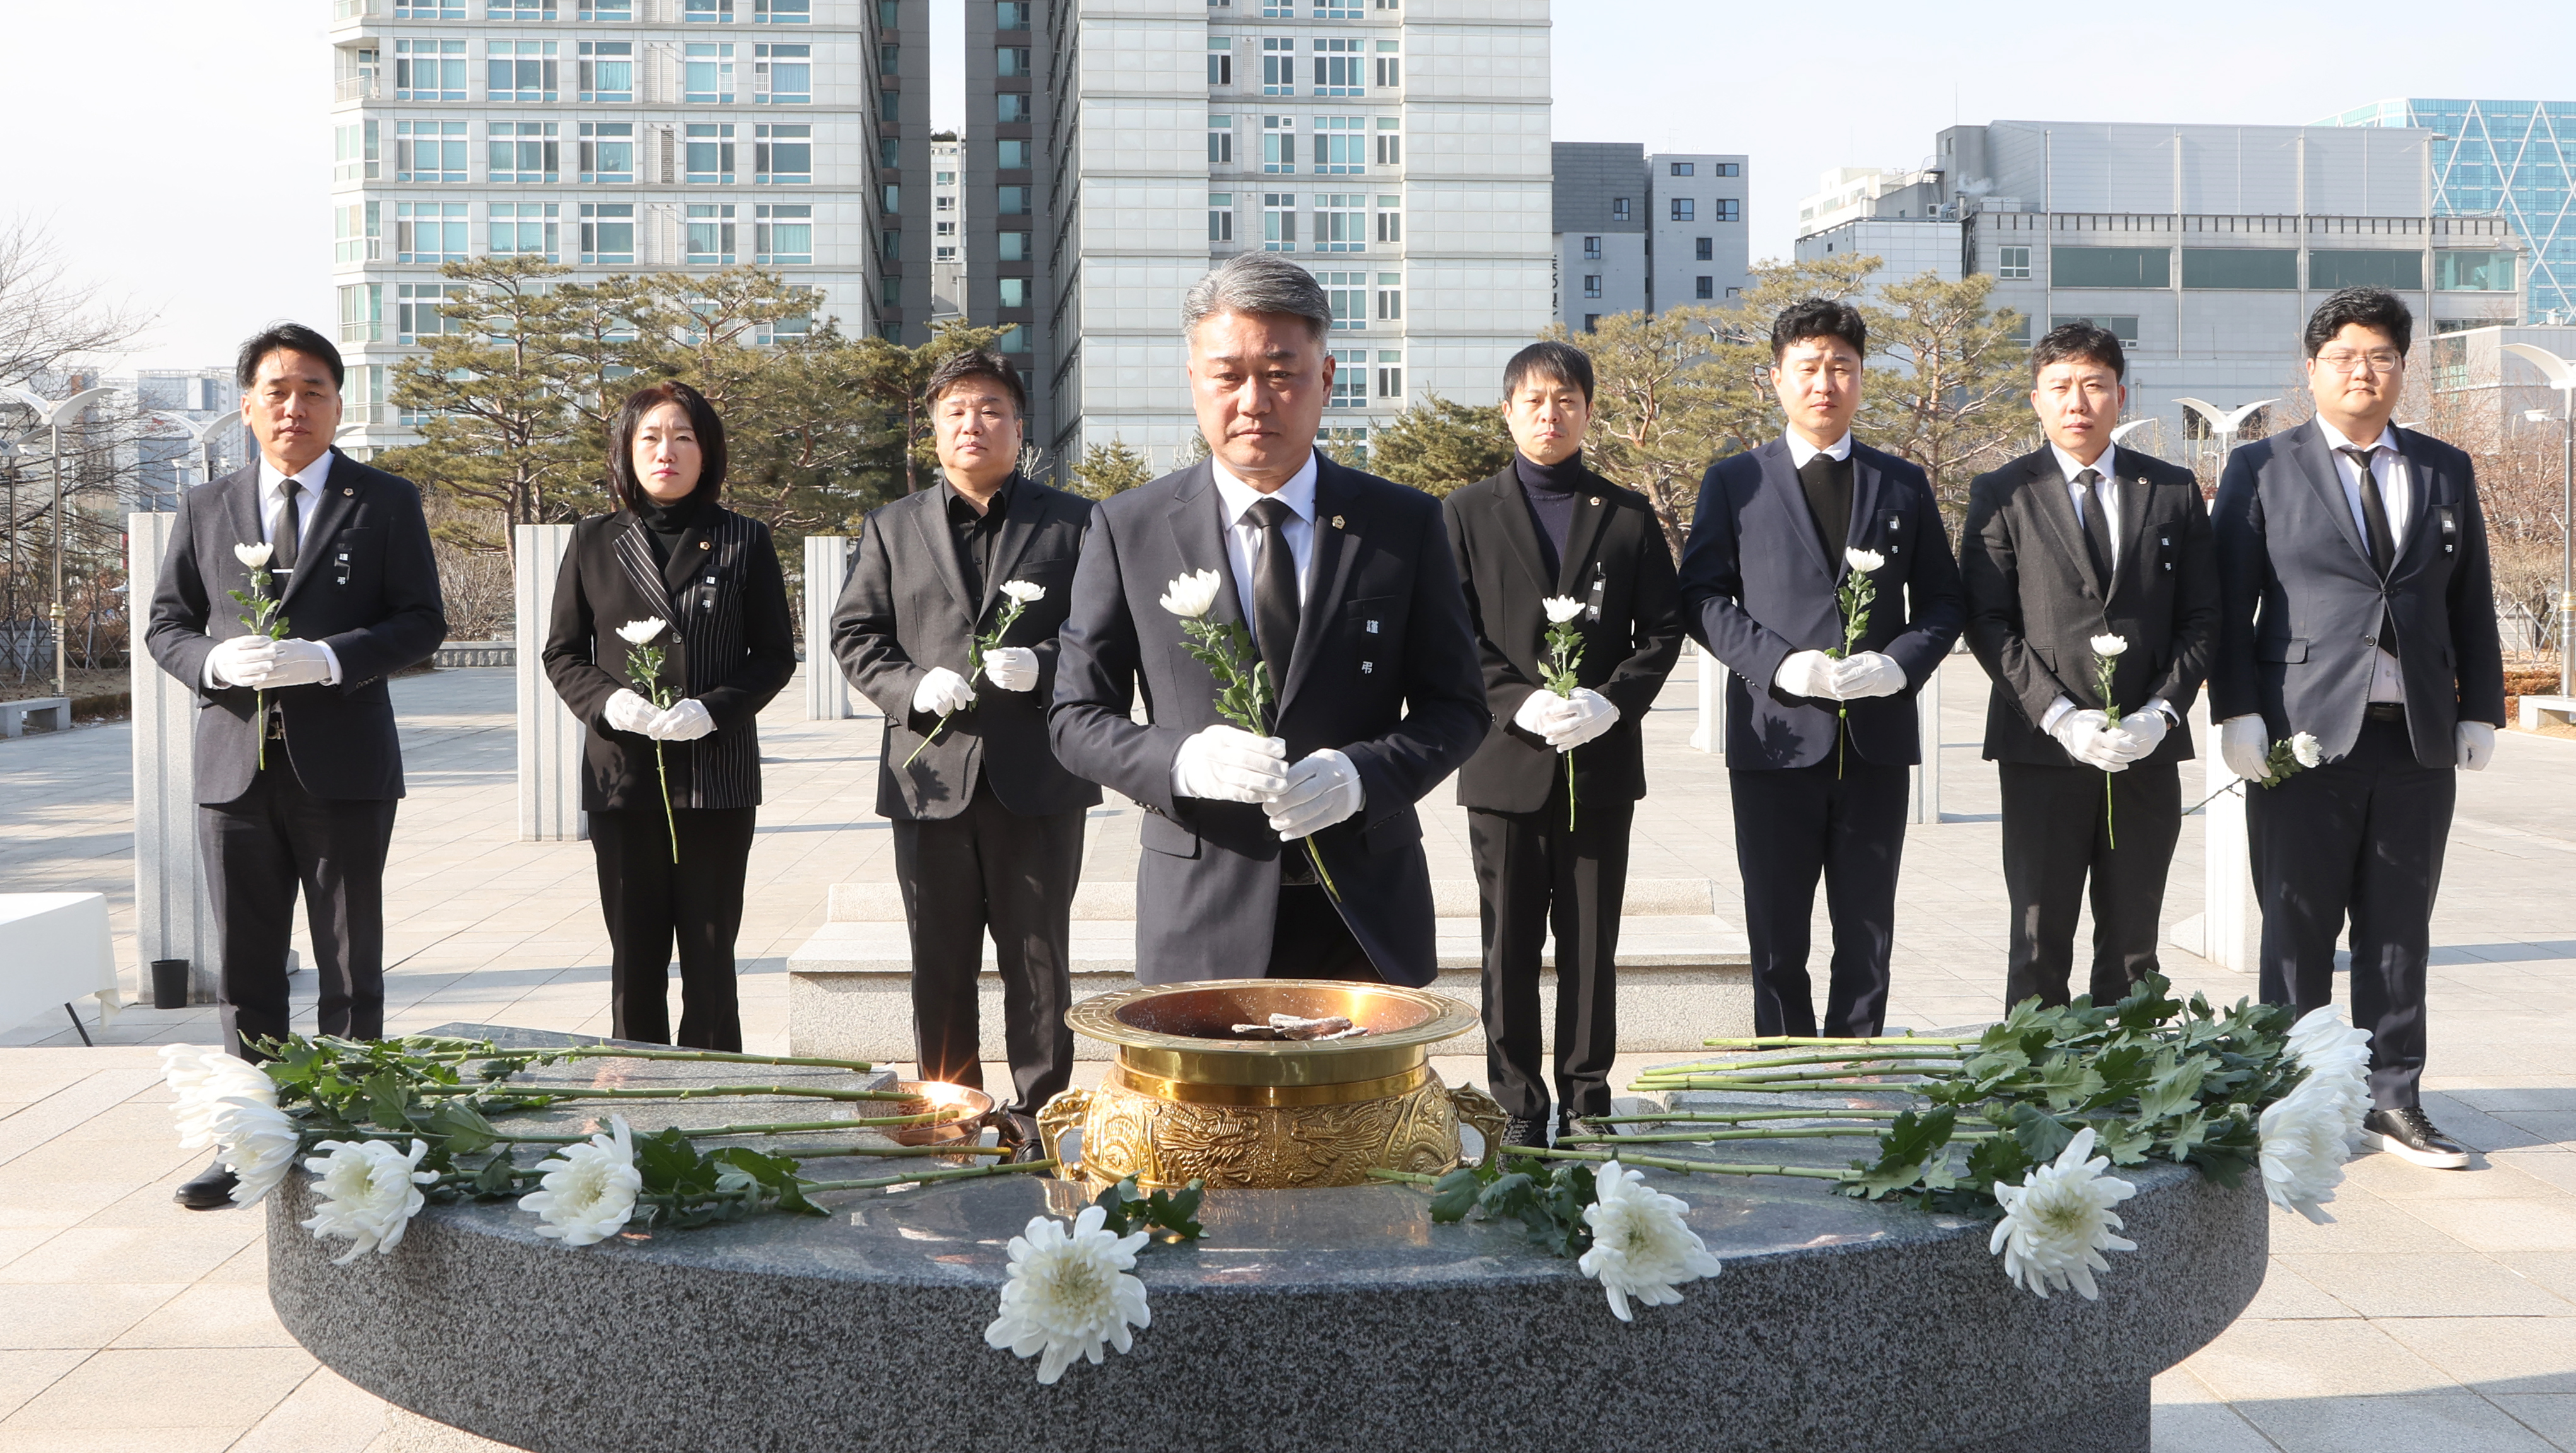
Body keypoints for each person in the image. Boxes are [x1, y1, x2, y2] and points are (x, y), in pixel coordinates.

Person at [1049, 253, 1487, 984]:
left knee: (1364, 1103)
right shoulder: (1129, 528)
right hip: (1201, 907)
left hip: (1364, 909)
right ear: (1193, 382)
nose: (1253, 400)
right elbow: (1073, 718)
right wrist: (1181, 761)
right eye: (1227, 375)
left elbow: (1458, 707)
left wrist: (1361, 774)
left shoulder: (1402, 522)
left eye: (1280, 373)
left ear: (1325, 378)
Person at [145, 322, 448, 1209]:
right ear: (246, 406)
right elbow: (167, 623)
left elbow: (421, 621)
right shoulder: (207, 506)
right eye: (276, 390)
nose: (294, 406)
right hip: (232, 770)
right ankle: (251, 1139)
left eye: (313, 390)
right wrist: (210, 662)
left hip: (345, 765)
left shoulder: (384, 502)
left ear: (339, 405)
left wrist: (330, 658)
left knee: (351, 964)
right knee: (246, 968)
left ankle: (352, 1134)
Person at [2210, 286, 2506, 1169]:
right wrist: (2234, 711)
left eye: (2380, 356)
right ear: (2312, 370)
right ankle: (2293, 1098)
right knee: (2295, 926)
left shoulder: (2443, 468)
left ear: (2402, 371)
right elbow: (2230, 606)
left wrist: (2480, 707)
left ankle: (2393, 1100)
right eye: (2344, 356)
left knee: (2398, 926)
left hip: (2413, 736)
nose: (2363, 371)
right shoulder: (2261, 468)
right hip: (2302, 736)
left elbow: (2471, 599)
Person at [830, 350, 1096, 1155]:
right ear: (934, 431)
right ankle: (951, 1113)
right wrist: (910, 687)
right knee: (938, 963)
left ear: (1020, 427)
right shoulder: (891, 526)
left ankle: (1041, 1118)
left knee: (1039, 963)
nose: (971, 424)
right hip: (930, 779)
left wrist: (1045, 666)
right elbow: (854, 634)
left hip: (1037, 779)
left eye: (989, 410)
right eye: (954, 412)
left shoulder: (1075, 523)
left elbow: (1101, 640)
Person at [1677, 298, 1964, 1038]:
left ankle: (1855, 1067)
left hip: (1874, 741)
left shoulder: (1899, 482)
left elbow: (1942, 601)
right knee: (1775, 928)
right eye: (1807, 367)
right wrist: (1783, 667)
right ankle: (1782, 1069)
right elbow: (1701, 598)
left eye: (1841, 367)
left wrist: (1897, 667)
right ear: (1775, 379)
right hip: (1775, 737)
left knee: (1866, 926)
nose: (1824, 383)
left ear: (1861, 379)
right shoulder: (1734, 481)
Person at [1443, 341, 1683, 1147]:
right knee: (1506, 946)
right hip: (1504, 767)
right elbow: (1452, 631)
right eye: (1534, 401)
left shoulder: (1624, 513)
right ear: (1507, 411)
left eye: (1567, 400)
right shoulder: (1464, 513)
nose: (1551, 415)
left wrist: (1612, 704)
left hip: (1601, 766)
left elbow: (1662, 628)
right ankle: (1515, 1105)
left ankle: (1587, 1099)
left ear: (1587, 410)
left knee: (1589, 944)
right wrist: (1515, 702)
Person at [1959, 324, 2219, 1012]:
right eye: (2060, 388)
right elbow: (1986, 621)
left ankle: (2124, 1088)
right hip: (2041, 751)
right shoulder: (2001, 493)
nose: (2077, 401)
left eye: (2093, 385)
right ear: (2035, 401)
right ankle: (2034, 1091)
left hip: (2145, 749)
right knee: (2039, 938)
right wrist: (2058, 715)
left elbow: (2202, 617)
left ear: (2118, 395)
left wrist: (2160, 711)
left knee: (2134, 942)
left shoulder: (2169, 489)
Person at [542, 380, 795, 1054]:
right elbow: (563, 653)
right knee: (635, 956)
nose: (666, 450)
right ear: (627, 450)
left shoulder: (743, 539)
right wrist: (609, 702)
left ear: (706, 452)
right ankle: (638, 1097)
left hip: (715, 778)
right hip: (624, 779)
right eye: (650, 436)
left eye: (683, 436)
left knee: (711, 957)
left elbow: (773, 656)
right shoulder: (594, 541)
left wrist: (713, 712)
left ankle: (715, 1096)